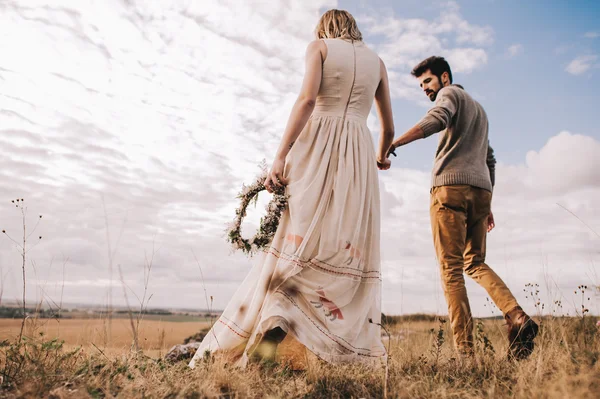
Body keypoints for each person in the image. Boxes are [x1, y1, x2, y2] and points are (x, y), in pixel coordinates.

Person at [189, 9, 395, 368]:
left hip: (317, 149)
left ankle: (276, 320)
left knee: (297, 239)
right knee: (338, 243)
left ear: (325, 28)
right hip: (358, 156)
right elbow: (388, 127)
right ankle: (296, 334)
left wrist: (280, 156)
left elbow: (307, 101)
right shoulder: (377, 63)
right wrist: (380, 157)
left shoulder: (319, 47)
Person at [385, 56, 538, 359]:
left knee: (451, 270)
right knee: (475, 263)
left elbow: (437, 118)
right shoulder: (480, 111)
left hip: (450, 189)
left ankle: (465, 355)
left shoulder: (450, 94)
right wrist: (488, 202)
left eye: (427, 81)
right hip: (480, 192)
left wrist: (394, 143)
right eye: (421, 85)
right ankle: (517, 316)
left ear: (444, 77)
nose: (425, 89)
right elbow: (489, 159)